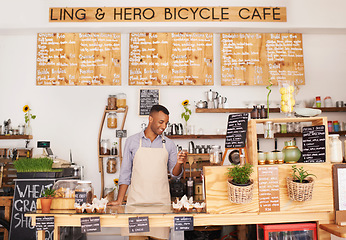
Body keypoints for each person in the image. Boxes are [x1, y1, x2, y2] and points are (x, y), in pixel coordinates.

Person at [108, 104, 187, 239]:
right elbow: (125, 172)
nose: (163, 127)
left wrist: (179, 163)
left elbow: (175, 174)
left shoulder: (168, 144)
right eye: (161, 122)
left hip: (161, 205)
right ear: (150, 119)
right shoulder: (132, 141)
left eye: (166, 123)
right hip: (136, 206)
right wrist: (119, 200)